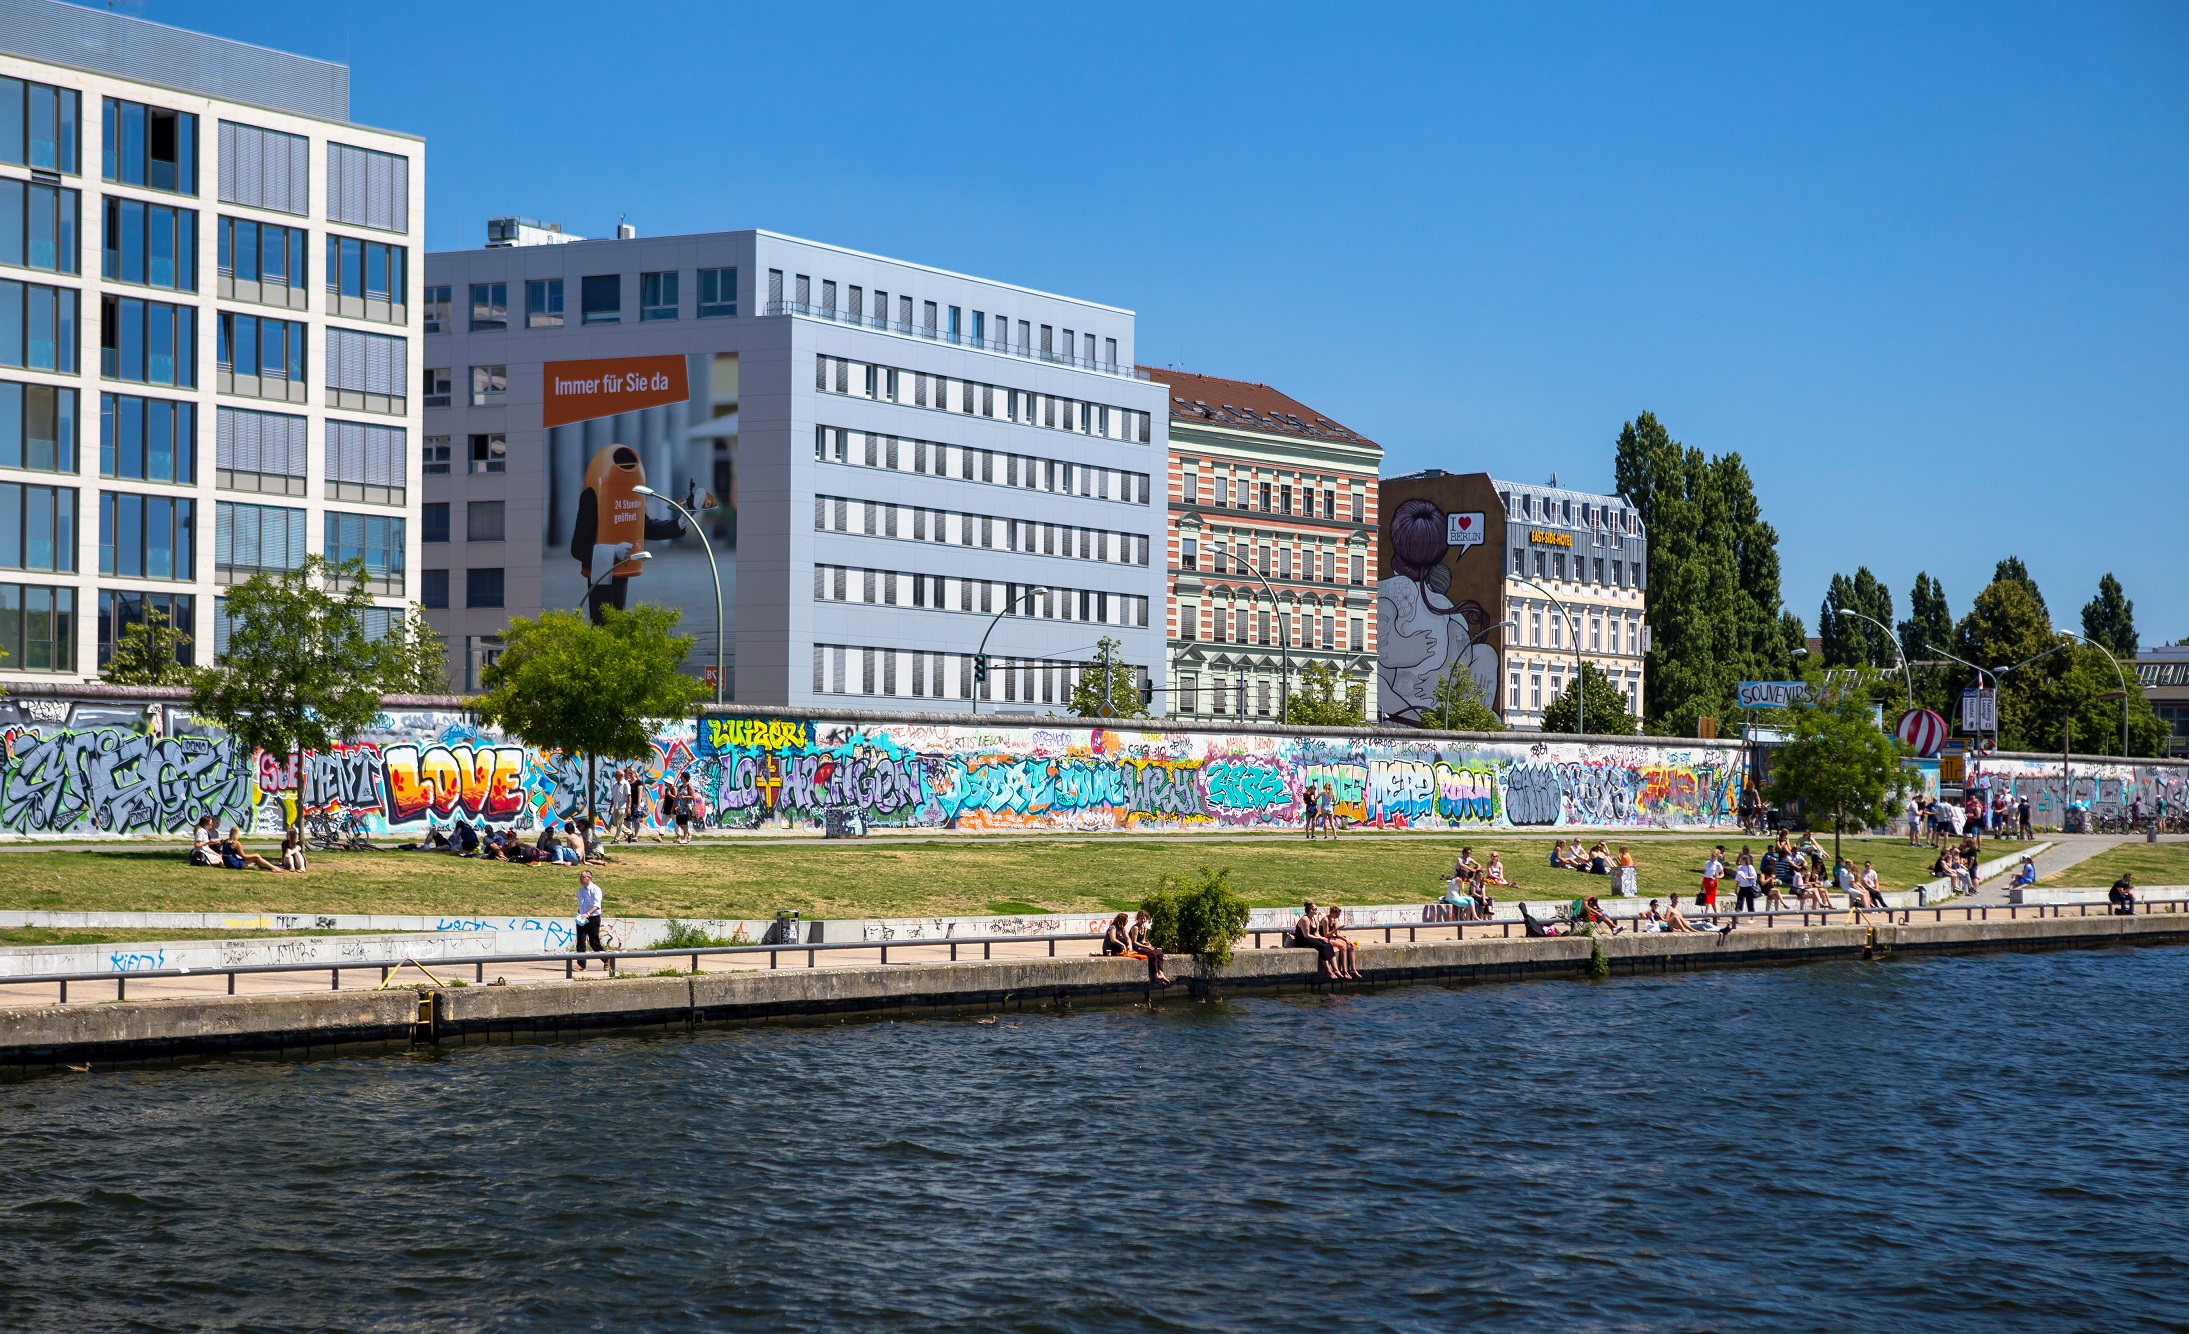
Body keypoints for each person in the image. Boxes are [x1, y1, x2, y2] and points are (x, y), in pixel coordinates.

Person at [1290, 900, 1340, 979]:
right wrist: (1319, 938)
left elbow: (1316, 933)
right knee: (1322, 946)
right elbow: (1307, 935)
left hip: (1311, 938)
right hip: (1302, 940)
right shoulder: (1305, 919)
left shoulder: (1315, 919)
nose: (1317, 910)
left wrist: (1322, 938)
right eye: (1315, 909)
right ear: (1311, 910)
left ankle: (1336, 969)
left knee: (1328, 944)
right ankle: (1329, 971)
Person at [573, 870, 606, 969]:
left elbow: (597, 905)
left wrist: (588, 913)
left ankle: (607, 959)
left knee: (593, 942)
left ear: (589, 878)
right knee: (580, 941)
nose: (581, 879)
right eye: (580, 877)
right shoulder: (580, 891)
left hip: (593, 918)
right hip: (582, 918)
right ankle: (581, 965)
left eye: (583, 877)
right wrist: (580, 915)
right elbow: (581, 905)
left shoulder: (596, 889)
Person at [1321, 906, 1363, 980]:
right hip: (1325, 939)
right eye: (1337, 915)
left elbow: (1337, 934)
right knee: (1343, 946)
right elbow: (1326, 934)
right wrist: (1336, 929)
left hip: (1332, 937)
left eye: (1339, 915)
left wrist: (1346, 940)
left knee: (1351, 946)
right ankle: (1345, 971)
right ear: (1332, 913)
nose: (1338, 917)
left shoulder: (1334, 920)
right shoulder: (1326, 920)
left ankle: (1353, 969)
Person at [674, 771, 698, 845]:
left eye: (681, 777)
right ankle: (689, 834)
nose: (680, 778)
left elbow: (693, 796)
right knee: (679, 822)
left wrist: (685, 797)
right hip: (681, 806)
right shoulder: (681, 787)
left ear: (685, 778)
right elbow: (677, 797)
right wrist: (675, 805)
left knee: (684, 823)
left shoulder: (689, 786)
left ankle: (685, 838)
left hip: (687, 807)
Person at [1700, 847, 1724, 911]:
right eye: (1712, 855)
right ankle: (1716, 914)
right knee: (1711, 898)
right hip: (1706, 880)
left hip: (1712, 880)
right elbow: (1705, 873)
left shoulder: (1718, 864)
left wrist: (1718, 876)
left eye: (1714, 855)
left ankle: (1706, 914)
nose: (1712, 857)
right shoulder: (1707, 862)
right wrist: (1702, 884)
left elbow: (1722, 874)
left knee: (1709, 897)